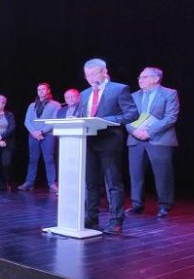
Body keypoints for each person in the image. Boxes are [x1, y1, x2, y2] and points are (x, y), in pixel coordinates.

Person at [72, 59, 139, 234]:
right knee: (91, 183)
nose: (91, 78)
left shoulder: (119, 89)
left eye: (94, 73)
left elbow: (132, 114)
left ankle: (116, 221)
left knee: (113, 183)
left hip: (109, 141)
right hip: (89, 141)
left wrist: (107, 120)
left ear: (104, 72)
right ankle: (91, 219)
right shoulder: (85, 93)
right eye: (87, 75)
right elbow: (82, 114)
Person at [126, 67, 180, 218]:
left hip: (160, 139)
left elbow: (170, 117)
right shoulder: (133, 96)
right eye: (139, 77)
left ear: (156, 79)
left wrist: (149, 132)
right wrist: (135, 131)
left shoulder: (169, 94)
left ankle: (164, 205)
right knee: (135, 173)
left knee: (163, 174)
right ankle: (137, 204)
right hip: (135, 139)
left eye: (144, 77)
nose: (140, 80)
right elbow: (127, 117)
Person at [17, 83, 61, 193]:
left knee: (49, 159)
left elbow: (55, 121)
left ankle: (52, 183)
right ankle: (29, 182)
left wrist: (41, 131)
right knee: (32, 159)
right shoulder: (32, 105)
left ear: (48, 90)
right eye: (38, 89)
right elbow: (27, 121)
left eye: (43, 89)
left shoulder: (55, 104)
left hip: (48, 135)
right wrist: (34, 132)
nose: (40, 91)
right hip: (33, 136)